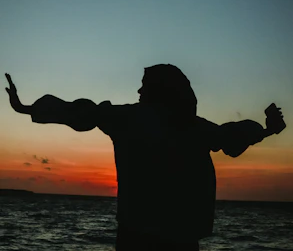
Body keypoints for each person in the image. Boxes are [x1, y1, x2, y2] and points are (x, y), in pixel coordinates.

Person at [5, 64, 285, 251]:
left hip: (138, 238)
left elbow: (80, 112)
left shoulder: (131, 118)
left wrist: (26, 108)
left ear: (159, 90)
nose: (138, 91)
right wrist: (267, 130)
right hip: (182, 240)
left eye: (144, 85)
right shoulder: (194, 128)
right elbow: (232, 136)